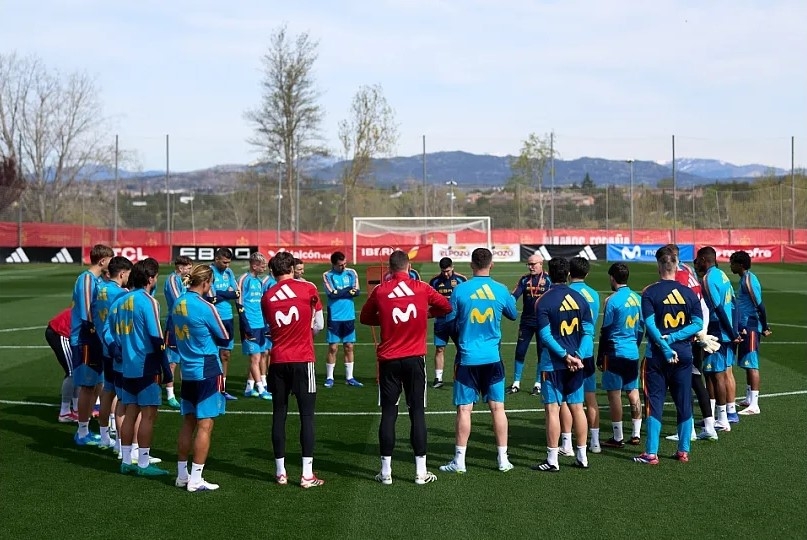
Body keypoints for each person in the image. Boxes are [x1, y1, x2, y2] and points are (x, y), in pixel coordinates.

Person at [360, 250, 452, 485]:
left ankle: (386, 472)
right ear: (409, 266)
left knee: (388, 413)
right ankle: (421, 472)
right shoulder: (421, 287)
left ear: (390, 269)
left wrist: (386, 318)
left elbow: (365, 317)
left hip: (389, 360)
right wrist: (424, 314)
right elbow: (446, 307)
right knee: (417, 412)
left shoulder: (381, 290)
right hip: (414, 359)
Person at [439, 248, 518, 474]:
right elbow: (513, 314)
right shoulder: (501, 289)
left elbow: (449, 320)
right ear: (491, 264)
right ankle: (503, 459)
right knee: (498, 408)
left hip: (467, 358)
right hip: (492, 357)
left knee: (464, 409)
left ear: (471, 265)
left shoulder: (460, 290)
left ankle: (459, 461)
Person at [261, 252, 326, 488]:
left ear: (272, 271)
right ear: (292, 268)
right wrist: (306, 335)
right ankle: (307, 474)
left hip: (278, 360)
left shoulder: (267, 296)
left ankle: (280, 472)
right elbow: (319, 324)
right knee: (306, 416)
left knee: (279, 415)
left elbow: (270, 327)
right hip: (303, 358)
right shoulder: (308, 289)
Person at [635, 246, 704, 464]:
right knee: (684, 401)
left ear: (659, 265)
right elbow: (698, 324)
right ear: (676, 266)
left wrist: (666, 345)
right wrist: (675, 338)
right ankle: (683, 451)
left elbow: (649, 324)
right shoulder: (689, 293)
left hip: (658, 355)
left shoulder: (650, 292)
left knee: (654, 402)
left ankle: (651, 453)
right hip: (683, 354)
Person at [171, 264, 231, 492]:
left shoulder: (178, 302)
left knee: (188, 422)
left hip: (187, 369)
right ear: (205, 283)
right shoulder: (205, 306)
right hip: (207, 368)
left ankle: (182, 475)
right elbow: (224, 336)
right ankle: (196, 478)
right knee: (205, 425)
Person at [531, 257, 594, 472]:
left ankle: (552, 460)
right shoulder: (580, 298)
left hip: (553, 364)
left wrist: (565, 356)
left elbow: (545, 336)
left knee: (552, 410)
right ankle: (582, 457)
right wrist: (578, 356)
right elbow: (588, 332)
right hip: (577, 363)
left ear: (549, 274)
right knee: (577, 408)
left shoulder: (543, 300)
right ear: (567, 274)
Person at [117, 258, 172, 476]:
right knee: (148, 415)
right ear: (150, 278)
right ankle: (143, 463)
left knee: (130, 412)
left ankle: (126, 460)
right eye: (156, 276)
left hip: (127, 363)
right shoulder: (148, 301)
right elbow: (157, 338)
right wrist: (166, 369)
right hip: (146, 363)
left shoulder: (122, 300)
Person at [667, 244, 718, 442]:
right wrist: (702, 332)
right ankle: (709, 427)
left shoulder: (678, 277)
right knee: (696, 380)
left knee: (683, 383)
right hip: (698, 332)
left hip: (686, 336)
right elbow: (701, 304)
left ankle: (689, 431)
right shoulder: (688, 271)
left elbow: (677, 307)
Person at [694, 246, 742, 431]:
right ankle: (719, 415)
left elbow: (718, 309)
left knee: (716, 375)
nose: (696, 263)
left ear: (704, 260)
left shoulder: (708, 279)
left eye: (698, 260)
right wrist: (735, 330)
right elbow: (734, 303)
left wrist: (732, 333)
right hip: (727, 330)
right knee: (718, 373)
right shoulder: (722, 275)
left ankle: (722, 419)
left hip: (718, 331)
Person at [70, 243, 113, 446]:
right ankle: (82, 432)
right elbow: (87, 313)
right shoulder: (86, 279)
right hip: (85, 338)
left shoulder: (97, 280)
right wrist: (96, 333)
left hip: (94, 338)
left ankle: (85, 429)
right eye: (110, 260)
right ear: (103, 261)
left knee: (96, 385)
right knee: (88, 387)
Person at [598, 263, 644, 449]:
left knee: (614, 394)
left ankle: (618, 437)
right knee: (633, 392)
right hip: (632, 351)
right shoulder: (637, 298)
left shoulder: (613, 300)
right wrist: (635, 344)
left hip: (615, 351)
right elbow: (641, 328)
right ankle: (636, 434)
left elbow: (606, 330)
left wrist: (600, 356)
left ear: (612, 277)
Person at [92, 255, 133, 449]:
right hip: (116, 348)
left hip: (103, 345)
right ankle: (120, 443)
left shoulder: (101, 289)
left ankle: (104, 437)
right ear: (123, 273)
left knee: (107, 392)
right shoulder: (120, 294)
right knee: (121, 396)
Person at [565, 256, 602, 454]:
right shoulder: (594, 294)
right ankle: (595, 442)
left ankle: (567, 444)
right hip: (587, 351)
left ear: (569, 273)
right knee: (590, 397)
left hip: (569, 353)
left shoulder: (567, 292)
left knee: (568, 400)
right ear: (587, 274)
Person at [730, 250, 772, 415]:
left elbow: (760, 305)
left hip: (751, 325)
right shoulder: (744, 278)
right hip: (745, 325)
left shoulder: (749, 280)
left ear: (740, 265)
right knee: (747, 363)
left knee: (752, 363)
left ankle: (755, 405)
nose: (731, 266)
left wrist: (765, 326)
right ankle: (749, 398)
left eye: (733, 263)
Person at [507, 254, 551, 395]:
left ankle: (538, 384)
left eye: (533, 264)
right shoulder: (524, 279)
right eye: (529, 264)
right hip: (526, 321)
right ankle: (516, 383)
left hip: (543, 322)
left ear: (541, 264)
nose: (531, 267)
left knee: (541, 352)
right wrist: (508, 304)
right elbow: (513, 296)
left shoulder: (549, 279)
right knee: (520, 351)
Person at [322, 251, 362, 388]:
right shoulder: (327, 275)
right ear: (333, 264)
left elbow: (357, 291)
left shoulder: (351, 273)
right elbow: (331, 294)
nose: (343, 267)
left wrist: (339, 292)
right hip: (334, 316)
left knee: (349, 346)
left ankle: (350, 377)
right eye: (340, 265)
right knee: (333, 347)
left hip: (349, 316)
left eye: (345, 264)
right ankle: (329, 377)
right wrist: (348, 290)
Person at [427, 257, 467, 388]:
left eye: (448, 271)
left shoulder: (461, 280)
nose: (446, 274)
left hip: (457, 322)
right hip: (441, 321)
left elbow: (466, 300)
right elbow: (429, 300)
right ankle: (438, 378)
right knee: (439, 348)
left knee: (461, 348)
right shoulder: (434, 281)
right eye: (443, 271)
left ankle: (458, 377)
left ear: (452, 267)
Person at [208, 248, 241, 400]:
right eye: (224, 262)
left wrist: (222, 294)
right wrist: (228, 294)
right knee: (213, 354)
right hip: (214, 317)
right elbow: (211, 297)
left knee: (226, 354)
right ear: (216, 259)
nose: (227, 265)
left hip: (228, 317)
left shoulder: (229, 272)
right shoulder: (209, 272)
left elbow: (237, 293)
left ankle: (222, 388)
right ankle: (211, 387)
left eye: (228, 262)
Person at [238, 252, 271, 399]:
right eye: (262, 266)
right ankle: (261, 389)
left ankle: (249, 388)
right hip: (249, 324)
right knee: (255, 357)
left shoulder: (259, 282)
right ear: (254, 265)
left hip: (260, 324)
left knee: (259, 355)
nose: (264, 268)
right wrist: (245, 325)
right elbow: (239, 303)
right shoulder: (244, 280)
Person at [163, 255, 193, 409]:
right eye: (188, 268)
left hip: (185, 322)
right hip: (174, 323)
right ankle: (170, 394)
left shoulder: (182, 280)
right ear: (180, 268)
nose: (190, 271)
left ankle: (185, 392)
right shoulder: (172, 280)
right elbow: (178, 300)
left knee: (185, 358)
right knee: (172, 361)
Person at [46, 307, 79, 423]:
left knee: (78, 371)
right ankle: (64, 412)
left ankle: (76, 409)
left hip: (68, 331)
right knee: (72, 372)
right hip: (60, 332)